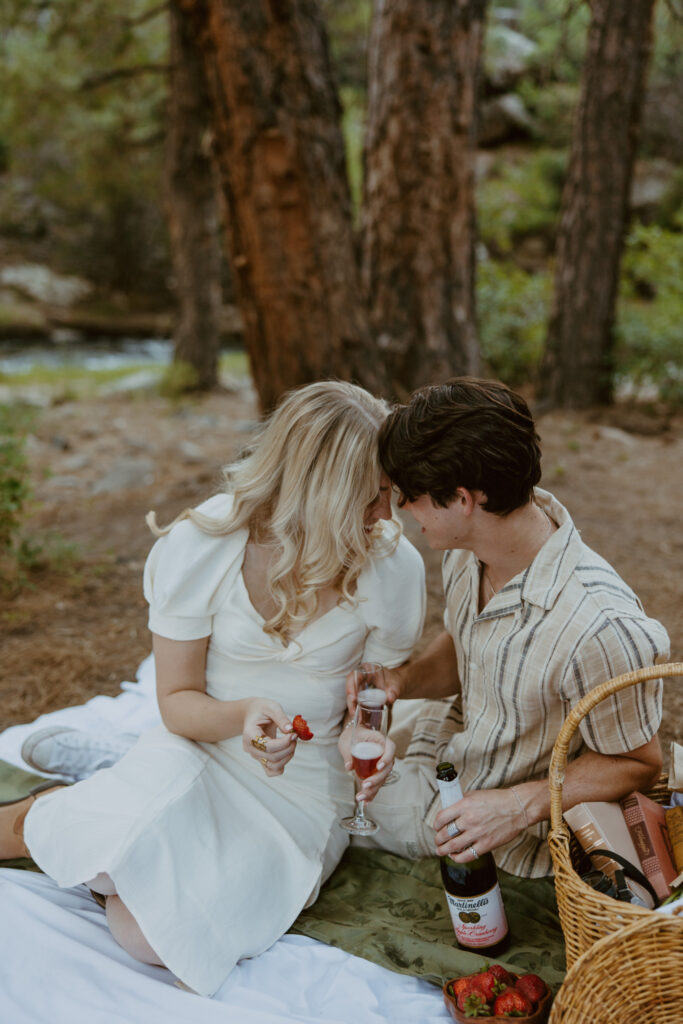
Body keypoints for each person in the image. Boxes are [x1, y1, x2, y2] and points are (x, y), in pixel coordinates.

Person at [0, 380, 425, 997]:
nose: (389, 513)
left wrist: (366, 734)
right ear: (317, 493)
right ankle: (50, 812)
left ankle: (107, 790)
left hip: (301, 795)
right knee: (100, 852)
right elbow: (175, 704)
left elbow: (372, 697)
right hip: (198, 747)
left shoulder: (391, 566)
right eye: (374, 496)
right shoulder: (202, 546)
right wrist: (246, 713)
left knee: (153, 942)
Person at [345, 377, 669, 877]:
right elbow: (467, 646)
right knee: (322, 748)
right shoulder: (471, 550)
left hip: (482, 819)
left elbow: (640, 764)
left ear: (461, 499)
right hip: (445, 741)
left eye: (408, 495)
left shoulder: (601, 629)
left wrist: (518, 805)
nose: (397, 510)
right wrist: (401, 682)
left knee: (314, 796)